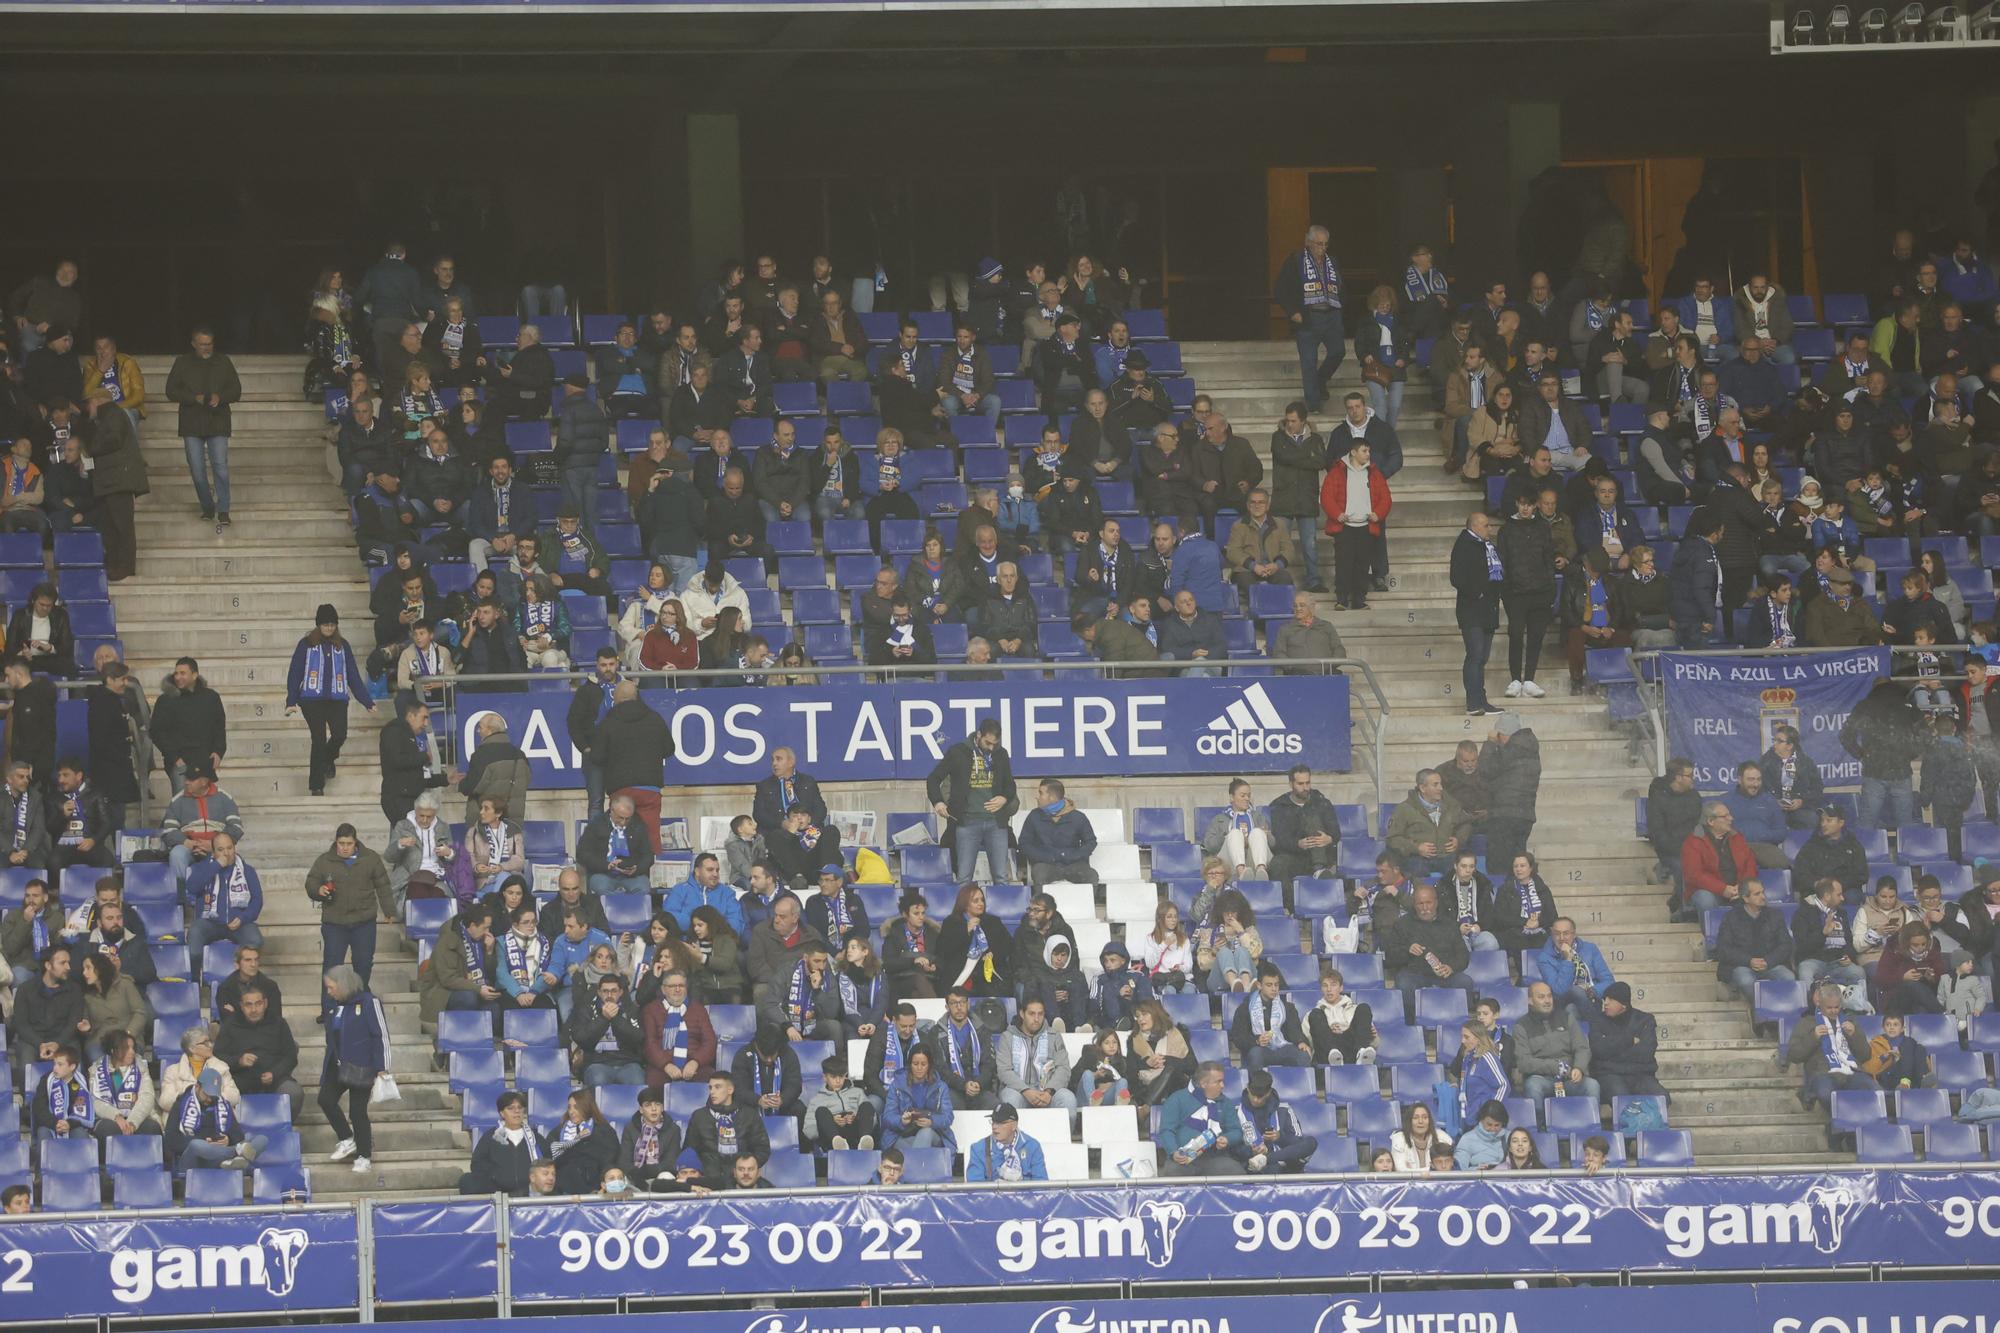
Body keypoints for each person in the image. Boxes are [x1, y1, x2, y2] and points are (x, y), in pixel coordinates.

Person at [285, 605, 374, 797]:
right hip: (311, 700)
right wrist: (291, 700)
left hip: (337, 699)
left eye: (332, 624)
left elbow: (353, 676)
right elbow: (295, 673)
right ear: (318, 624)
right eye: (325, 624)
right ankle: (316, 785)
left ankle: (327, 759)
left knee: (340, 735)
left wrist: (367, 702)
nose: (329, 627)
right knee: (318, 739)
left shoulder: (343, 645)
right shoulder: (306, 644)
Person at [306, 824, 393, 1020]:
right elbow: (311, 881)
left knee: (363, 964)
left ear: (356, 842)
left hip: (364, 922)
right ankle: (328, 1009)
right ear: (336, 842)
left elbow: (383, 885)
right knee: (331, 966)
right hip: (335, 923)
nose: (345, 847)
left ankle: (359, 1003)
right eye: (341, 843)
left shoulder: (370, 859)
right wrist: (318, 890)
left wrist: (389, 911)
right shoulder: (324, 861)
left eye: (349, 843)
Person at [164, 327, 241, 525]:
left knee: (220, 468)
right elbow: (170, 390)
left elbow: (236, 390)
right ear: (193, 344)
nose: (206, 348)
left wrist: (220, 397)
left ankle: (223, 509)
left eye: (209, 344)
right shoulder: (182, 362)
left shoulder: (223, 361)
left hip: (218, 421)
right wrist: (193, 398)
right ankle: (207, 506)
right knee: (197, 471)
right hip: (192, 422)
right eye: (202, 344)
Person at [926, 720, 1018, 886]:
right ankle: (962, 912)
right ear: (978, 735)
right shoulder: (958, 752)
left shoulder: (1001, 754)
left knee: (1002, 877)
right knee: (964, 878)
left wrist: (1004, 797)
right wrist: (938, 802)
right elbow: (933, 778)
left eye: (994, 744)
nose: (991, 747)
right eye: (987, 743)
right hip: (967, 822)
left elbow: (1010, 785)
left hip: (996, 822)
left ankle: (1000, 912)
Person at [598, 682, 675, 852]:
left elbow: (598, 756)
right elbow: (669, 749)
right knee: (650, 838)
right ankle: (648, 875)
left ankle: (622, 870)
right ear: (636, 696)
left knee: (621, 837)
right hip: (649, 788)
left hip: (621, 788)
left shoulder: (609, 722)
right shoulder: (654, 718)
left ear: (616, 698)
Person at [1274, 225, 1345, 412]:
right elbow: (1280, 290)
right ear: (1308, 242)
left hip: (1331, 316)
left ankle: (1320, 381)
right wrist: (1292, 312)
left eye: (1325, 244)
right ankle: (1313, 405)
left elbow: (1340, 286)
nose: (1322, 248)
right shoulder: (1296, 261)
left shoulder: (1333, 261)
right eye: (1318, 244)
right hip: (1308, 318)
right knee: (1308, 362)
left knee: (1338, 351)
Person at [1783, 981, 1877, 1119]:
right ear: (1819, 1004)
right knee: (1826, 1094)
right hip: (1822, 1073)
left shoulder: (1850, 1022)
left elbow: (1865, 1055)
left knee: (1874, 1092)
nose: (1834, 1011)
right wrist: (1813, 1037)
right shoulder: (1807, 1023)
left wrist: (1854, 1035)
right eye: (1829, 1007)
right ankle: (1843, 1128)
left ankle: (1843, 1131)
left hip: (1852, 1072)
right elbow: (1793, 1055)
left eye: (1837, 1007)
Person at [213, 982, 300, 1122]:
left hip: (274, 1079)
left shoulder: (279, 1023)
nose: (254, 1009)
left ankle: (282, 1128)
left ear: (265, 1003)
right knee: (222, 1094)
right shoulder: (230, 1025)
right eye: (248, 1005)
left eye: (258, 1004)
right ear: (241, 1005)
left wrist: (274, 1073)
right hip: (239, 1080)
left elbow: (290, 1057)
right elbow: (217, 1057)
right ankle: (234, 1136)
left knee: (294, 1093)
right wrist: (238, 1061)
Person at [1381, 883, 1476, 1008]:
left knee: (1465, 982)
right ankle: (1411, 1024)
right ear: (1414, 905)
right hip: (1414, 973)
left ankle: (1457, 1022)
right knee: (1404, 984)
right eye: (1420, 904)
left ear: (1436, 903)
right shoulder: (1402, 924)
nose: (1425, 907)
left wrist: (1451, 967)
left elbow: (1463, 955)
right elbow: (1390, 957)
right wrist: (1407, 950)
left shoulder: (1449, 924)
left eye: (1429, 902)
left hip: (1445, 974)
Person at [183, 831, 263, 976]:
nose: (226, 853)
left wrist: (243, 918)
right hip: (210, 922)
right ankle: (195, 981)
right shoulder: (203, 867)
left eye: (229, 848)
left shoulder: (247, 871)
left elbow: (257, 901)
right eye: (220, 850)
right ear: (213, 852)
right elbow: (192, 887)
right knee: (194, 935)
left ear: (235, 848)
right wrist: (216, 866)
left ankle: (246, 979)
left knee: (255, 940)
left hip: (239, 923)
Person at [1512, 981, 1599, 1111]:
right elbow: (1524, 1063)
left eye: (1549, 996)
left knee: (1592, 1085)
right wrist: (1556, 1067)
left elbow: (1582, 1048)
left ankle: (1592, 1127)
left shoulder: (1567, 1017)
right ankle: (1539, 1129)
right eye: (1541, 997)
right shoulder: (1521, 1026)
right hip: (1542, 1078)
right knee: (1533, 1086)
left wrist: (1579, 1068)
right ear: (1530, 1000)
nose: (1547, 1001)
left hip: (1570, 1078)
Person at [1450, 512, 1505, 717]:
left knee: (1482, 657)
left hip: (1488, 609)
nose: (1489, 529)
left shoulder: (1487, 546)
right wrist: (1478, 593)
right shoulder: (1464, 545)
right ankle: (1473, 702)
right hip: (1472, 609)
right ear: (1473, 527)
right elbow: (1456, 577)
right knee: (1475, 654)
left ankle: (1481, 700)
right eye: (1485, 525)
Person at [167, 1064, 263, 1177]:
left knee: (261, 1139)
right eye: (206, 1094)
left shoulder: (223, 1105)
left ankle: (231, 1162)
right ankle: (237, 1154)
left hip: (218, 1158)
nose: (209, 1099)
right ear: (197, 1087)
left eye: (213, 1095)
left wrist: (228, 1140)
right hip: (194, 1161)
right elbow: (171, 1140)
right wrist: (206, 1143)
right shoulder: (181, 1104)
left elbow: (239, 1136)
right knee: (196, 1145)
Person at [161, 765, 242, 891]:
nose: (186, 782)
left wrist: (214, 845)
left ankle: (223, 894)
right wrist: (188, 843)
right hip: (189, 846)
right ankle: (185, 897)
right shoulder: (178, 800)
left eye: (191, 779)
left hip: (216, 846)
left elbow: (236, 829)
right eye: (187, 778)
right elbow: (168, 831)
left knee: (226, 851)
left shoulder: (224, 798)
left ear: (204, 781)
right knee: (176, 855)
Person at [1156, 1061, 1244, 1177]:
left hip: (1214, 1159)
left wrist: (1227, 1139)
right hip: (1183, 1159)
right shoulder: (1177, 1099)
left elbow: (1236, 1131)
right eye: (1218, 1082)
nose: (1222, 1085)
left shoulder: (1225, 1103)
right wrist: (1173, 1152)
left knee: (1236, 1171)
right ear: (1203, 1084)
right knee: (1172, 1172)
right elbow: (1167, 1130)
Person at [1385, 768, 1471, 880]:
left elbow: (1466, 824)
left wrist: (1458, 839)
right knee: (1417, 876)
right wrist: (1416, 848)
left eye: (1440, 784)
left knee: (1463, 872)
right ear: (1422, 788)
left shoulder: (1452, 805)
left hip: (1446, 856)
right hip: (1416, 857)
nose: (1440, 788)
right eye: (1435, 785)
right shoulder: (1404, 809)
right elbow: (1393, 838)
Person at [459, 1091, 550, 1196]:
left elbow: (548, 1162)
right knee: (467, 1181)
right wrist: (496, 1177)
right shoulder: (491, 1137)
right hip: (499, 1192)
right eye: (511, 1108)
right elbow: (477, 1164)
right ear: (502, 1113)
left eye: (520, 1108)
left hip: (528, 1191)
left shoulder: (535, 1138)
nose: (516, 1111)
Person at [997, 996, 1076, 1113]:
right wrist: (1026, 1091)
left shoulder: (1054, 1036)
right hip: (1018, 1091)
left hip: (1048, 1093)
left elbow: (1063, 1068)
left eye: (1040, 1014)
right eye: (1032, 1014)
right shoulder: (1007, 1037)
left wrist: (1049, 1091)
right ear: (1022, 1014)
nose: (1036, 1018)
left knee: (1068, 1099)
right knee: (1011, 1100)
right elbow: (1004, 1071)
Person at [1230, 961, 1312, 1072]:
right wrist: (1257, 1040)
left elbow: (1295, 1031)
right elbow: (1238, 1037)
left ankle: (1298, 1088)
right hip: (1259, 1049)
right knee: (1255, 1054)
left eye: (1276, 984)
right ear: (1259, 985)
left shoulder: (1287, 1007)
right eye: (1269, 985)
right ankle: (1257, 1088)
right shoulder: (1245, 1008)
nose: (1274, 989)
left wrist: (1301, 1042)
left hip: (1283, 1048)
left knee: (1303, 1055)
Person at [574, 972, 649, 1088]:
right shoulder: (586, 1010)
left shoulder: (631, 1010)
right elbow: (581, 1039)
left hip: (628, 1063)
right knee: (598, 1080)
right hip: (597, 1063)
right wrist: (603, 1018)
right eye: (605, 991)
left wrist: (616, 1018)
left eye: (614, 991)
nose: (609, 995)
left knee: (637, 1081)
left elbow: (639, 1038)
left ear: (621, 992)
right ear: (599, 992)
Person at [1534, 918, 1614, 1017]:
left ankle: (1594, 1023)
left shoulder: (1590, 949)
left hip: (1590, 1000)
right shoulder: (1544, 958)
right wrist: (1568, 959)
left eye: (1566, 933)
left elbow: (1608, 980)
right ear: (1552, 935)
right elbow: (1558, 990)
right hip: (1562, 1001)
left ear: (1574, 934)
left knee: (1570, 1010)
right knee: (1575, 991)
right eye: (1557, 934)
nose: (1561, 938)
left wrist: (1593, 991)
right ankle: (1598, 1022)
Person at [577, 795, 655, 895]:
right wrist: (606, 865)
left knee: (643, 887)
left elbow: (648, 855)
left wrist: (637, 868)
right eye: (620, 817)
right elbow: (582, 854)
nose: (623, 822)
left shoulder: (639, 825)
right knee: (601, 887)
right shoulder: (596, 825)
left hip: (632, 876)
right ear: (611, 810)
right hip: (603, 873)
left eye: (627, 819)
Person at [732, 1025, 804, 1121]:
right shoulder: (743, 1055)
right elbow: (739, 1088)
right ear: (757, 1047)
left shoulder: (788, 1053)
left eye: (772, 1055)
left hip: (781, 1104)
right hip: (752, 1104)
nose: (769, 1060)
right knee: (737, 1108)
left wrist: (783, 1099)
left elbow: (794, 1084)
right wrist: (757, 1100)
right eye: (765, 1056)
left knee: (799, 1108)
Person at [1389, 1102, 1450, 1173]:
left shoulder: (1442, 1138)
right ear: (1409, 1121)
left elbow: (1446, 1168)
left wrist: (1411, 1171)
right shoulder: (1399, 1139)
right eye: (1415, 1118)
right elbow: (1400, 1170)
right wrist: (1431, 1170)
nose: (1420, 1121)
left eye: (1425, 1117)